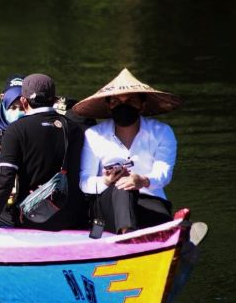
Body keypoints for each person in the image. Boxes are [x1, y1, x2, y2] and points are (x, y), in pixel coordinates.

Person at [74, 68, 181, 233]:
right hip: (107, 205)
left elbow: (164, 173)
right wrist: (106, 181)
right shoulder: (94, 135)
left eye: (131, 101)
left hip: (149, 199)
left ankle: (175, 232)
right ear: (109, 106)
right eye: (116, 102)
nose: (124, 106)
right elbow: (84, 182)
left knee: (159, 216)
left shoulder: (162, 132)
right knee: (123, 188)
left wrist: (142, 180)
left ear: (142, 105)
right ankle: (127, 235)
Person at [0, 74, 86, 231]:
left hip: (30, 219)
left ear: (24, 101)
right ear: (55, 100)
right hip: (71, 218)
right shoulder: (74, 129)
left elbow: (6, 177)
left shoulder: (15, 130)